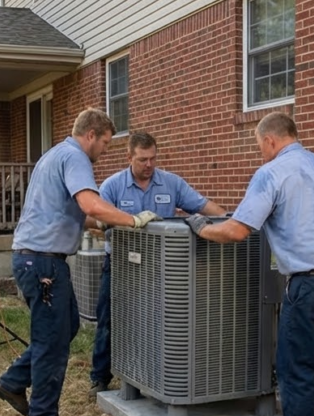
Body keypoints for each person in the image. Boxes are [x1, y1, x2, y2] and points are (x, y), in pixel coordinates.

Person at [185, 112, 314, 416]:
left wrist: (202, 228)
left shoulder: (272, 172)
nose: (260, 154)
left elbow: (236, 230)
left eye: (259, 147)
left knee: (294, 366)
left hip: (313, 284)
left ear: (269, 140)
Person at [0, 108, 161, 416]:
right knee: (52, 338)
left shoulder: (55, 154)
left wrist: (106, 224)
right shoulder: (76, 157)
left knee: (63, 327)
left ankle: (12, 383)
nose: (106, 150)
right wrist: (133, 219)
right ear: (91, 135)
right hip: (44, 263)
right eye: (106, 143)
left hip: (34, 259)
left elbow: (76, 214)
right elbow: (91, 205)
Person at [87, 131, 226, 399]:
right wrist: (113, 223)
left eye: (152, 159)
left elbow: (202, 205)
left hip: (161, 268)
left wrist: (230, 221)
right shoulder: (113, 186)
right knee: (109, 318)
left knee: (159, 319)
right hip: (120, 266)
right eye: (142, 160)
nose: (148, 165)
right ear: (129, 157)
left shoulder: (171, 183)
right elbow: (92, 218)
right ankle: (100, 377)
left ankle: (151, 373)